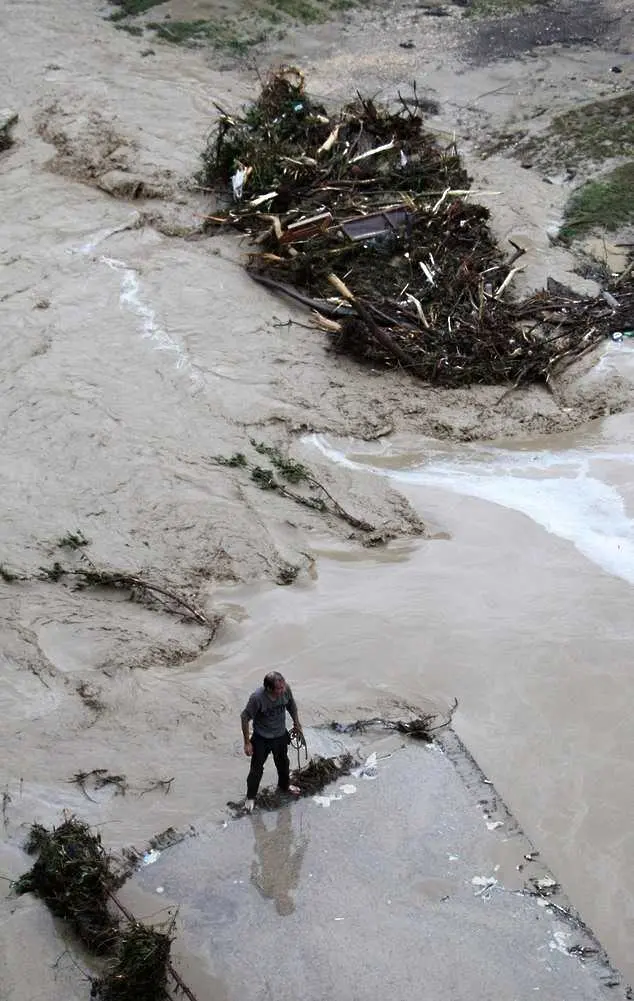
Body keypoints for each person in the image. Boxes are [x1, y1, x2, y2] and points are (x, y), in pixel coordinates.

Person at [241, 671, 303, 812]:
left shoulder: (286, 690)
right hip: (261, 738)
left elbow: (291, 705)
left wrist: (297, 723)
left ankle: (284, 786)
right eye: (279, 689)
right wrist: (247, 742)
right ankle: (250, 797)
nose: (283, 690)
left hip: (280, 735)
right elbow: (244, 717)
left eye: (283, 687)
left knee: (283, 764)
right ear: (269, 688)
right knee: (256, 769)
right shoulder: (257, 698)